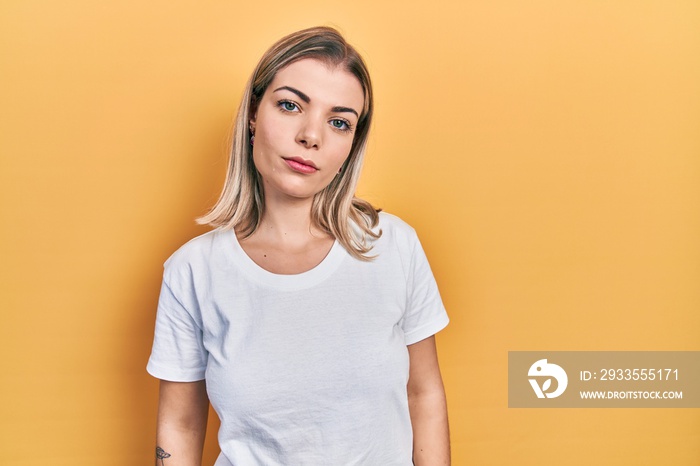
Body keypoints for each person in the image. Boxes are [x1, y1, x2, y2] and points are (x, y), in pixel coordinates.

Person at [147, 26, 450, 466]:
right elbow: (180, 425)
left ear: (351, 144)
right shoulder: (193, 271)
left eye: (339, 121)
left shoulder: (393, 246)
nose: (311, 136)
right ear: (253, 114)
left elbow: (424, 395)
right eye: (290, 105)